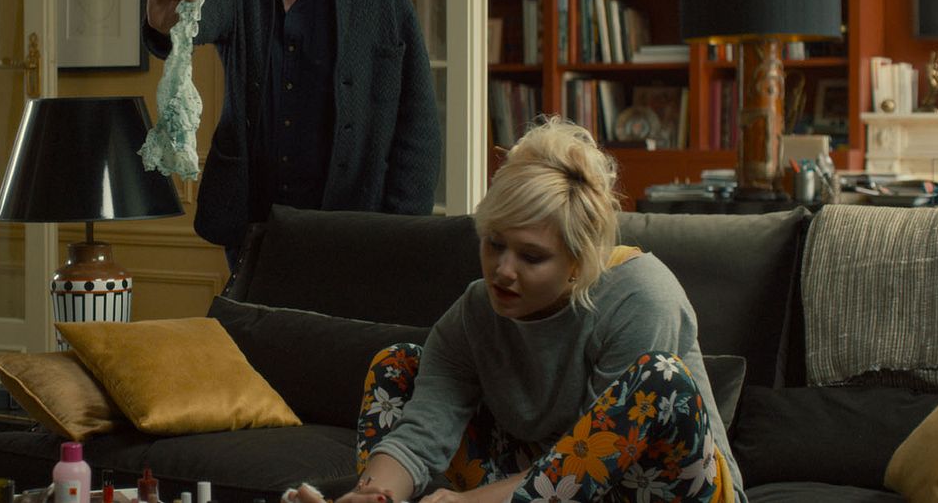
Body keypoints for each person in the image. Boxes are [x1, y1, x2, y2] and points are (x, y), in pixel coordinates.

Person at [287, 116, 746, 503]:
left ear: (577, 263)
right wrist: (373, 494)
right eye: (494, 244)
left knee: (659, 376)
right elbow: (419, 435)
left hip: (660, 489)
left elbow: (597, 462)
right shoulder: (475, 311)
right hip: (535, 485)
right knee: (397, 365)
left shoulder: (639, 295)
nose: (502, 271)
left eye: (531, 257)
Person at [142, 0, 441, 267]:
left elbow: (418, 116)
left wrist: (402, 230)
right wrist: (169, 20)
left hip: (358, 230)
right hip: (255, 230)